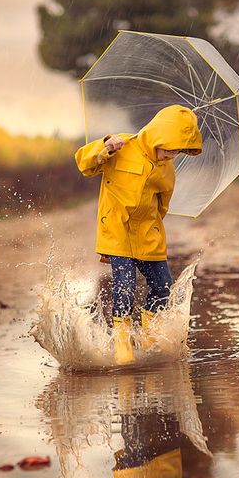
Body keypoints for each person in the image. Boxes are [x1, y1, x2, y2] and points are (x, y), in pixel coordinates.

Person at [75, 105, 202, 364]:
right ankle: (122, 340)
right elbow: (84, 164)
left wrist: (153, 226)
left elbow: (162, 204)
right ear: (159, 137)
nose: (173, 155)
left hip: (148, 234)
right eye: (170, 149)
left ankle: (147, 332)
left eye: (178, 151)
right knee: (125, 285)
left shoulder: (167, 168)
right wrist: (105, 147)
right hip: (118, 230)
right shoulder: (122, 147)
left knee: (163, 286)